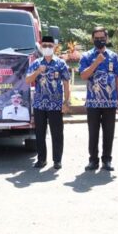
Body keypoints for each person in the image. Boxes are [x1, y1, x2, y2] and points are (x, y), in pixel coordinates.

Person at [79, 27, 118, 172]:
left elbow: (117, 78)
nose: (99, 40)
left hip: (110, 102)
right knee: (93, 132)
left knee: (109, 132)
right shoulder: (86, 56)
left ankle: (107, 160)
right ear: (92, 39)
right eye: (96, 38)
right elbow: (84, 76)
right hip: (93, 101)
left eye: (102, 38)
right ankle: (93, 160)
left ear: (107, 39)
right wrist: (96, 62)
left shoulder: (113, 56)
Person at [26, 35, 71, 169]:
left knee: (57, 133)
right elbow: (27, 80)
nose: (47, 48)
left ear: (54, 47)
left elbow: (66, 83)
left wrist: (66, 102)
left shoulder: (60, 63)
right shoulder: (36, 63)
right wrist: (38, 71)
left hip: (55, 104)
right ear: (41, 46)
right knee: (40, 133)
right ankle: (41, 159)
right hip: (40, 104)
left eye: (49, 46)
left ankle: (57, 160)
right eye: (44, 45)